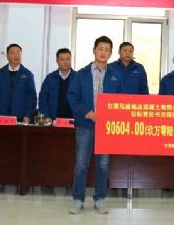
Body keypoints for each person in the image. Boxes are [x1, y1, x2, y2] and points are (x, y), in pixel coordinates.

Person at [67, 36, 122, 215]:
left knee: (103, 165)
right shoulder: (82, 74)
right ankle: (78, 199)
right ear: (94, 50)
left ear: (110, 53)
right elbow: (72, 97)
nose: (103, 53)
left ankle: (100, 199)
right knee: (81, 165)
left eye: (107, 50)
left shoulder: (115, 75)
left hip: (106, 127)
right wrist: (88, 113)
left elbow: (120, 101)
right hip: (85, 124)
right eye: (100, 49)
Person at [0, 43, 36, 124]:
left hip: (20, 118)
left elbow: (32, 98)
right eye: (13, 53)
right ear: (7, 56)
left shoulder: (27, 74)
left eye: (18, 53)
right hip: (1, 117)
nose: (16, 55)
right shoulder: (0, 73)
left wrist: (28, 115)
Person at [38, 48, 76, 123]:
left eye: (68, 59)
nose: (65, 62)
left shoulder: (78, 78)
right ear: (57, 61)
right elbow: (43, 99)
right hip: (53, 121)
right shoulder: (50, 78)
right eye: (62, 59)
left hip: (74, 121)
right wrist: (46, 116)